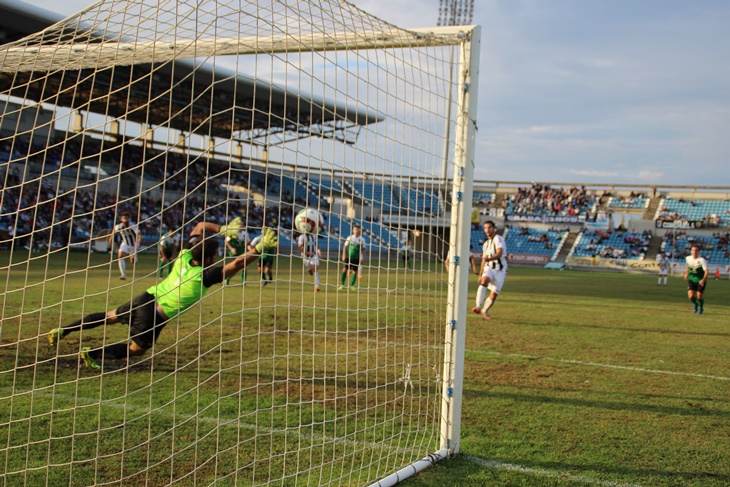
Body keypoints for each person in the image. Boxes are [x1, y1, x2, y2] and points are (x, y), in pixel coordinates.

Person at [47, 225, 278, 370]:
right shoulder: (205, 276)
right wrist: (258, 250)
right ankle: (92, 353)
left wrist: (222, 229)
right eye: (215, 255)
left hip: (145, 297)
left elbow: (199, 226)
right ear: (209, 259)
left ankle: (64, 330)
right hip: (154, 315)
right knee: (136, 350)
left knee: (109, 316)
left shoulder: (184, 257)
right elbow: (237, 263)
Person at [472, 220, 508, 319]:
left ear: (494, 228)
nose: (487, 230)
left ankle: (484, 310)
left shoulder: (499, 239)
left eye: (489, 227)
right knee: (484, 281)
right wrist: (480, 275)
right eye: (485, 228)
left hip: (500, 270)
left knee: (493, 295)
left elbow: (499, 253)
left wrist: (489, 258)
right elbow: (484, 260)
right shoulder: (486, 244)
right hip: (489, 268)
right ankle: (478, 307)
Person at [109, 212, 141, 280]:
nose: (125, 220)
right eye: (124, 218)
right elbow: (113, 231)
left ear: (129, 219)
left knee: (133, 261)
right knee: (120, 256)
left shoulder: (133, 226)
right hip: (125, 243)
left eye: (127, 218)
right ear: (121, 219)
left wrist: (138, 242)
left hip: (133, 245)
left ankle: (133, 257)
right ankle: (123, 275)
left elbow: (139, 234)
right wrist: (111, 238)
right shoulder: (119, 226)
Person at [224, 218, 249, 285]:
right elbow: (226, 241)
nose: (242, 226)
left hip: (242, 252)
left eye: (243, 224)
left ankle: (243, 282)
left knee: (244, 267)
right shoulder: (233, 232)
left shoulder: (245, 233)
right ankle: (227, 279)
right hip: (234, 252)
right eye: (240, 225)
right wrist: (231, 248)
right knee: (236, 267)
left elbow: (247, 243)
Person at [339, 224, 366, 290]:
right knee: (345, 269)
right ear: (353, 231)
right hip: (348, 257)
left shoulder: (362, 239)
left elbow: (364, 249)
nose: (356, 231)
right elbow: (345, 247)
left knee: (355, 271)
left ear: (359, 230)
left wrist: (363, 258)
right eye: (355, 229)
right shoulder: (350, 238)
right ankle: (342, 284)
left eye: (357, 229)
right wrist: (343, 255)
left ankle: (352, 285)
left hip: (356, 258)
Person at [684, 244, 708, 314]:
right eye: (693, 250)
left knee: (699, 296)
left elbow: (706, 271)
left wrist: (703, 280)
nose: (694, 252)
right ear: (691, 251)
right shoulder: (688, 258)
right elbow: (688, 265)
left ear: (698, 252)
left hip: (700, 280)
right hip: (692, 279)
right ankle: (696, 304)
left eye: (696, 250)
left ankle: (701, 308)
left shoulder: (702, 260)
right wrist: (687, 274)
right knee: (691, 296)